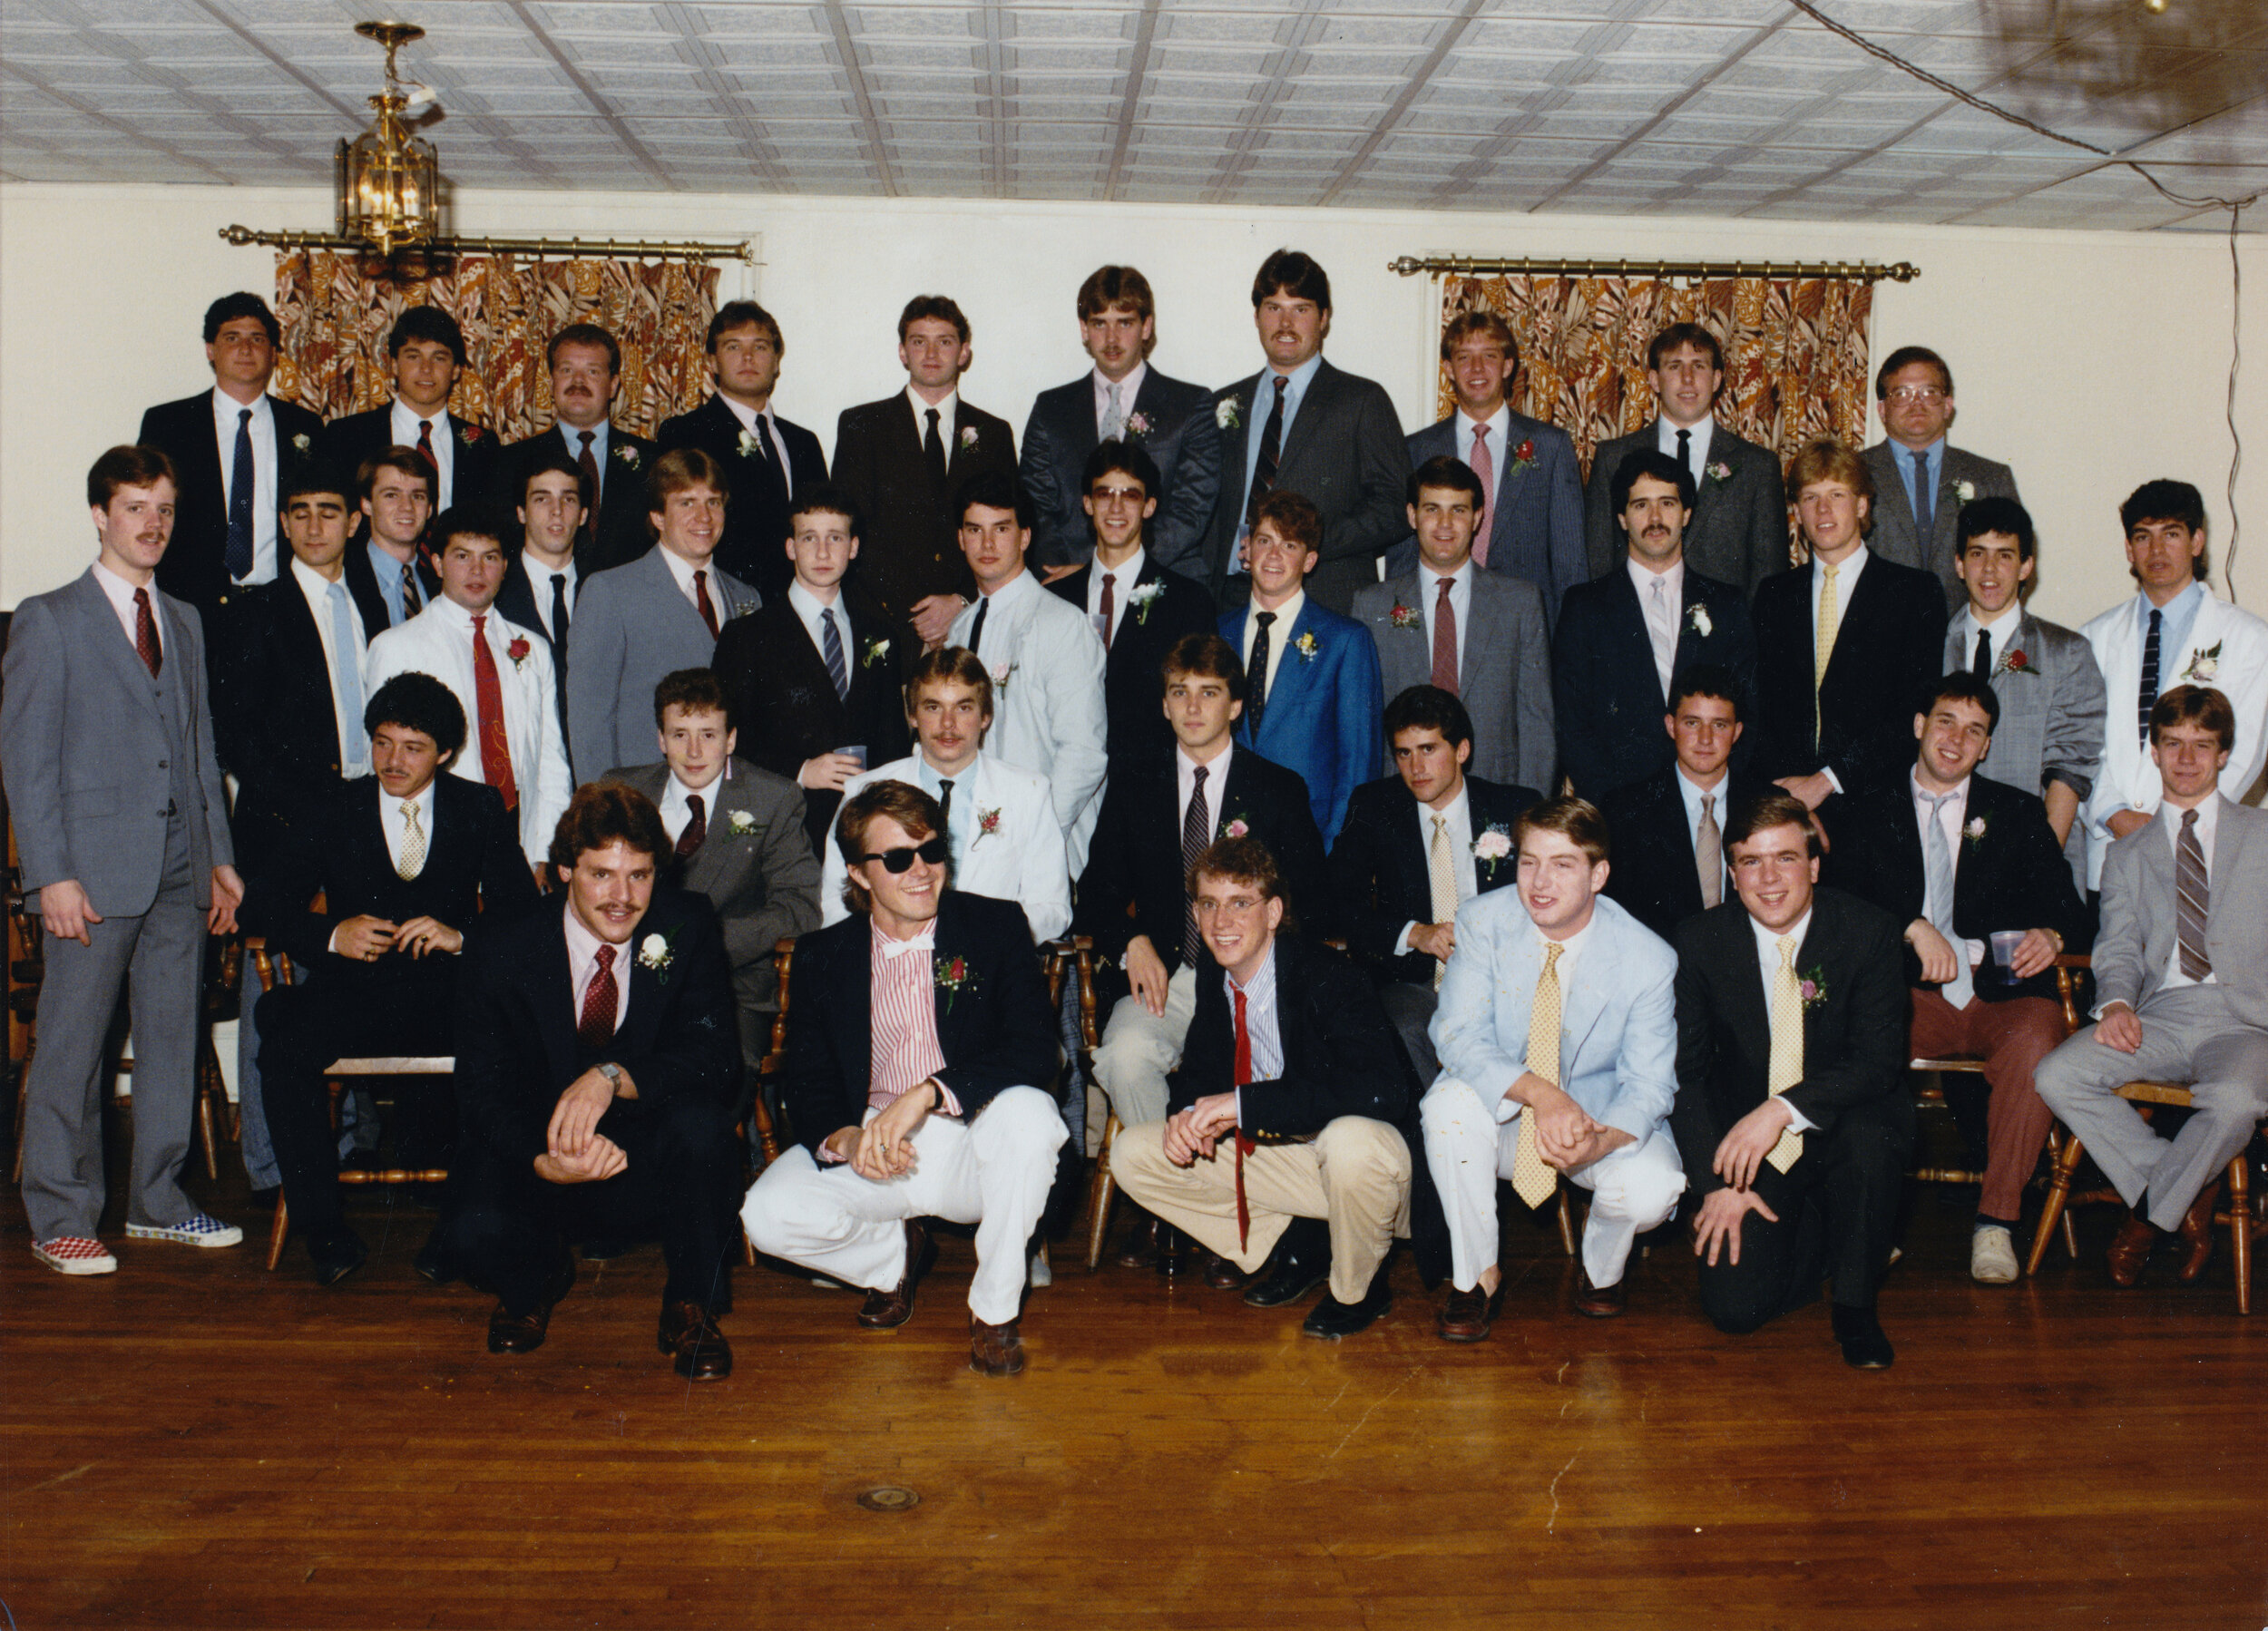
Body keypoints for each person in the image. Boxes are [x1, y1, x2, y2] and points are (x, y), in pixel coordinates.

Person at [1, 445, 244, 1275]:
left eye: (165, 508)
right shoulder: (50, 617)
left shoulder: (183, 618)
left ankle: (159, 1201)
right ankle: (60, 1215)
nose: (153, 524)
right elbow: (26, 764)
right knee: (73, 1045)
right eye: (136, 507)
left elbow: (199, 744)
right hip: (91, 874)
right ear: (100, 515)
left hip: (182, 863)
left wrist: (219, 858)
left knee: (174, 1037)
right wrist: (50, 875)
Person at [743, 781, 1066, 1377]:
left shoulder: (993, 926)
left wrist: (928, 1093)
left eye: (932, 851)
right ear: (860, 874)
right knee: (766, 1214)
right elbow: (808, 1077)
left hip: (974, 1136)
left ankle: (994, 1313)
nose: (922, 871)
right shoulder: (824, 955)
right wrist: (842, 1137)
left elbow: (1035, 1052)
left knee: (1032, 1116)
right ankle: (892, 1260)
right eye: (897, 858)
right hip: (876, 1144)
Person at [442, 784, 744, 1378]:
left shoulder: (687, 924)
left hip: (643, 1149)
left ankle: (690, 1303)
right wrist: (539, 1157)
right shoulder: (501, 942)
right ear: (563, 872)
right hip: (541, 1147)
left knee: (706, 1129)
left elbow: (716, 1056)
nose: (622, 899)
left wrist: (613, 1076)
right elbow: (478, 1089)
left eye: (639, 875)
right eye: (602, 875)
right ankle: (532, 1283)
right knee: (464, 1228)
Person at [246, 673, 538, 1284]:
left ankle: (457, 1229)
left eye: (413, 747)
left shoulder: (479, 806)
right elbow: (263, 905)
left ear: (446, 753)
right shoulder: (337, 806)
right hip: (354, 993)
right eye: (382, 743)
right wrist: (332, 934)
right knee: (283, 1039)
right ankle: (323, 1231)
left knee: (514, 1044)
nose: (393, 761)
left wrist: (464, 938)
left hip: (446, 995)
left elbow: (523, 918)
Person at [1823, 673, 2088, 1283]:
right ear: (1920, 726)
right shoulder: (1866, 809)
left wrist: (2051, 935)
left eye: (1974, 731)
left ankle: (1996, 1222)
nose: (1956, 739)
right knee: (1859, 1049)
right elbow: (1836, 905)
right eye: (1945, 721)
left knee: (2038, 1045)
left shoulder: (2018, 811)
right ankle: (1874, 1219)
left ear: (1987, 746)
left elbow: (2067, 909)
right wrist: (1909, 926)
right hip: (1912, 994)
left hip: (2002, 994)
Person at [1076, 633, 1328, 1265]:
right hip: (1171, 974)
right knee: (1126, 1057)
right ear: (1163, 705)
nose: (1193, 708)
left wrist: (1258, 956)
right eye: (1180, 693)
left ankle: (1222, 1204)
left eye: (1209, 693)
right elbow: (1096, 889)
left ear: (1236, 706)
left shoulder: (1277, 789)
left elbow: (1310, 901)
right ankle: (1174, 1201)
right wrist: (1132, 941)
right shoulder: (1136, 784)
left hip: (1251, 979)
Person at [1110, 835, 1416, 1339]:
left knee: (1349, 1140)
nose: (1221, 922)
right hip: (1297, 1163)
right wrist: (1184, 1115)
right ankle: (1303, 1242)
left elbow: (1382, 1092)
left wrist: (1244, 1105)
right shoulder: (1217, 972)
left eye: (1239, 904)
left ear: (1272, 912)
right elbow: (1202, 1067)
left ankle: (1359, 1289)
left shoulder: (1329, 976)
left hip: (1376, 1174)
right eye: (1209, 904)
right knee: (1134, 1153)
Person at [1422, 796, 1685, 1333]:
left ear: (1599, 874)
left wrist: (1600, 1140)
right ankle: (1475, 1276)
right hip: (1508, 1112)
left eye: (1563, 864)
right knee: (1446, 1107)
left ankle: (1602, 1268)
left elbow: (1650, 1084)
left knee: (1654, 1189)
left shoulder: (1648, 957)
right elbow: (1455, 1036)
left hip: (1594, 1121)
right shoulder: (1483, 920)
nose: (1539, 882)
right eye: (1528, 861)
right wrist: (1543, 1096)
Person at [2037, 685, 2268, 1290]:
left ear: (2224, 756)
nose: (2187, 759)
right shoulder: (2127, 853)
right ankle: (2183, 1190)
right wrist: (2114, 1003)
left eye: (2203, 746)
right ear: (2155, 752)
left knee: (2236, 1102)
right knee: (2057, 1074)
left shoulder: (2263, 835)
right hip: (2160, 1016)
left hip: (2246, 1020)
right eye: (2173, 745)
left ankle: (2146, 1215)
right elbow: (2116, 946)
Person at [1671, 794, 1911, 1369]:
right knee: (1734, 1310)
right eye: (1751, 862)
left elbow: (1878, 1062)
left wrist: (1780, 1110)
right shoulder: (1699, 942)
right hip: (1748, 1149)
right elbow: (1688, 1074)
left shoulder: (1868, 931)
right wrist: (1716, 1185)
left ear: (1815, 866)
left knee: (1872, 1138)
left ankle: (1855, 1305)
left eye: (1785, 858)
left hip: (1844, 1122)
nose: (1769, 878)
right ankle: (1823, 1241)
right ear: (1732, 873)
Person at [600, 669, 821, 1073]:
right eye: (680, 734)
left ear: (731, 739)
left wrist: (703, 946)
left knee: (701, 1073)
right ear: (661, 740)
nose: (695, 751)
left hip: (730, 986)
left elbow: (799, 908)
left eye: (709, 734)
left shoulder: (773, 797)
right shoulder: (621, 792)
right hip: (625, 979)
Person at [1327, 685, 1540, 1084]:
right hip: (1415, 985)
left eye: (1428, 749)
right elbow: (1337, 902)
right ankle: (1432, 1136)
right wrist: (1415, 934)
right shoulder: (1375, 807)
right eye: (1404, 754)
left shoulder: (1514, 807)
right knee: (1401, 1028)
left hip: (1503, 981)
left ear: (1461, 751)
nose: (1416, 768)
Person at [2077, 480, 2268, 893]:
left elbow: (2246, 751)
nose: (2157, 551)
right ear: (2129, 549)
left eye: (2172, 534)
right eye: (2143, 537)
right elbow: (2080, 745)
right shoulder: (2094, 638)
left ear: (2197, 541)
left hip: (2200, 851)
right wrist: (2114, 814)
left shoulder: (2250, 638)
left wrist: (2179, 824)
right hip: (2112, 851)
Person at [1197, 249, 1406, 613]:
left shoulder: (1362, 400)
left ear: (1324, 318)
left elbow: (1395, 507)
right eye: (1274, 307)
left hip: (1323, 599)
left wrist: (1309, 541)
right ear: (1257, 316)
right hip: (1231, 601)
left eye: (1301, 309)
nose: (1286, 323)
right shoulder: (1224, 402)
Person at [711, 485, 914, 856]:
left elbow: (894, 742)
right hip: (782, 833)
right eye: (809, 538)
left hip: (866, 835)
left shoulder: (880, 634)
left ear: (853, 547)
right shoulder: (747, 637)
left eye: (835, 538)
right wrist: (801, 770)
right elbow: (726, 742)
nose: (823, 552)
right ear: (790, 547)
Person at [365, 509, 571, 873]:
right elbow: (388, 765)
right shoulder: (396, 646)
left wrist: (547, 852)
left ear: (506, 566)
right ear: (438, 563)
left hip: (521, 833)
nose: (477, 571)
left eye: (489, 558)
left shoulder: (533, 648)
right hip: (440, 838)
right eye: (462, 556)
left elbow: (551, 759)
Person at [1752, 439, 1948, 815]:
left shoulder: (1914, 593)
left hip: (1875, 806)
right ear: (1795, 511)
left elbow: (1914, 708)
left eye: (1836, 494)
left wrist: (1827, 781)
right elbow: (1761, 706)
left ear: (1861, 505)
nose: (1823, 510)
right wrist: (1787, 793)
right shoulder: (1773, 596)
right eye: (1810, 498)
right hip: (1786, 804)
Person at [820, 649, 1070, 942]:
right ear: (912, 715)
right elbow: (836, 904)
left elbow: (1052, 909)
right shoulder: (862, 792)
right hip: (891, 963)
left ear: (986, 716)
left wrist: (982, 941)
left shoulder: (1029, 792)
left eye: (963, 707)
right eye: (933, 707)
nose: (948, 724)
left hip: (989, 965)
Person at [213, 467, 390, 873]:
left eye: (328, 513)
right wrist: (310, 810)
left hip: (369, 811)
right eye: (300, 513)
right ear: (284, 524)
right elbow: (236, 735)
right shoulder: (254, 613)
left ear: (353, 523)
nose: (313, 527)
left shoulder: (370, 605)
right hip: (286, 829)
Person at [1553, 449, 1757, 801]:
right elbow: (1571, 722)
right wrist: (1612, 808)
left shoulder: (1727, 604)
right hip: (1617, 805)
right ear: (1621, 518)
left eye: (1667, 503)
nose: (1655, 517)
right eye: (1640, 505)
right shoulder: (1585, 606)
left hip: (1711, 802)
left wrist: (1720, 795)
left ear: (1687, 514)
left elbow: (1749, 709)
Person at [1353, 456, 1553, 794]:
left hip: (1495, 791)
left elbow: (1537, 724)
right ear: (1412, 516)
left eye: (1458, 510)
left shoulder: (1519, 602)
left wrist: (1529, 813)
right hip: (1400, 792)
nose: (1445, 523)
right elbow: (1360, 727)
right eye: (1432, 509)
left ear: (1477, 519)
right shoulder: (1372, 605)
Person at [944, 474, 1110, 873]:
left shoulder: (1061, 624)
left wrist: (1030, 838)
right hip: (971, 848)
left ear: (1024, 538)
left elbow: (1083, 755)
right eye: (975, 530)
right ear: (960, 538)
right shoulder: (960, 628)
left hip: (1041, 851)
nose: (987, 545)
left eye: (1001, 529)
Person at [829, 295, 1018, 640]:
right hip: (883, 625)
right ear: (903, 351)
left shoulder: (994, 434)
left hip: (972, 621)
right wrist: (916, 615)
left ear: (964, 352)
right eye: (919, 342)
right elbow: (846, 529)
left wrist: (961, 602)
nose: (931, 355)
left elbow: (1010, 535)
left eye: (944, 342)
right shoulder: (862, 426)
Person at [1019, 265, 1223, 579]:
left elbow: (1190, 512)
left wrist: (1114, 571)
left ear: (1146, 327)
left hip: (1162, 579)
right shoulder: (1051, 409)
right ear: (1084, 329)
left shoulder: (1190, 405)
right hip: (1066, 580)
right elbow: (1035, 505)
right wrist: (1076, 577)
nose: (1111, 338)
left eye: (1124, 322)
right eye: (1099, 323)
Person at [566, 448, 759, 776]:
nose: (704, 517)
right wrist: (606, 814)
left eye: (713, 502)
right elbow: (590, 723)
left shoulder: (747, 598)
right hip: (643, 801)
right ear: (657, 517)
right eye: (687, 503)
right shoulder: (610, 592)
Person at [1943, 496, 2105, 888]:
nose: (1990, 570)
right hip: (1941, 858)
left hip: (2029, 862)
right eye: (1978, 553)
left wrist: (2036, 866)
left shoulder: (2065, 652)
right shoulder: (1930, 645)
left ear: (2026, 566)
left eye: (2005, 555)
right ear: (1960, 565)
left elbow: (2069, 771)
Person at [139, 292, 325, 617]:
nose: (245, 348)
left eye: (257, 338)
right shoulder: (168, 425)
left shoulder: (305, 426)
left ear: (273, 352)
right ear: (211, 350)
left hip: (282, 606)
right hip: (191, 608)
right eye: (232, 338)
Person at [1391, 308, 1584, 620]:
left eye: (1489, 356)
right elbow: (1402, 557)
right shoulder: (1416, 449)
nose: (1476, 368)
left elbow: (1570, 561)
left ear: (1508, 365)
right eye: (1464, 357)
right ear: (1449, 368)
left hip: (1524, 624)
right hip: (1438, 618)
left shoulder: (1551, 446)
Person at [1043, 440, 1217, 772]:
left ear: (1149, 507)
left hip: (1152, 789)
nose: (1116, 508)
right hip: (1065, 781)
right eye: (1105, 494)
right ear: (1087, 504)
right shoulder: (1055, 597)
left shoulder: (1188, 601)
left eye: (1131, 495)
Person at [1221, 490, 1383, 847]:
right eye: (1265, 540)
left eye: (1290, 545)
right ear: (1247, 549)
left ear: (1310, 561)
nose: (1274, 555)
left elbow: (1358, 766)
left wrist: (1334, 853)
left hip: (1311, 844)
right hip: (1229, 846)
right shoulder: (1219, 633)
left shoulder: (1345, 641)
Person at [1581, 323, 1790, 593]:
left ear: (1717, 379)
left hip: (1724, 630)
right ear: (1654, 380)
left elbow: (1769, 577)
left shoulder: (1757, 466)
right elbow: (1597, 562)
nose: (1688, 378)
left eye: (1699, 366)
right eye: (1675, 366)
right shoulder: (1613, 458)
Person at [654, 300, 827, 601]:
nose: (748, 357)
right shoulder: (685, 433)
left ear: (776, 362)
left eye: (760, 347)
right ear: (712, 362)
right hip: (720, 603)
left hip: (799, 605)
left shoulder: (804, 442)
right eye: (733, 347)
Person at [1598, 665, 1767, 942]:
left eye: (1719, 724)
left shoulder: (1767, 802)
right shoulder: (1625, 810)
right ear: (1670, 725)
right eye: (1692, 722)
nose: (1705, 738)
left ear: (1736, 732)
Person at [492, 323, 660, 575]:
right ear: (551, 381)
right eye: (567, 370)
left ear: (613, 385)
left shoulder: (653, 461)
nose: (578, 381)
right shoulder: (510, 462)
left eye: (592, 371)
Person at [1862, 346, 2022, 610]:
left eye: (1929, 392)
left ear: (1948, 406)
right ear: (1882, 409)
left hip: (1965, 638)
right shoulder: (1851, 474)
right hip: (1875, 638)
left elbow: (2013, 567)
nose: (1917, 403)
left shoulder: (1990, 478)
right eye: (1901, 393)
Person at [317, 307, 495, 513]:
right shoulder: (345, 436)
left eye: (439, 357)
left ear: (456, 370)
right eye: (413, 356)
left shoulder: (484, 444)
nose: (426, 369)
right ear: (394, 365)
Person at [492, 450, 585, 751]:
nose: (556, 511)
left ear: (583, 515)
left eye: (568, 499)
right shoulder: (494, 593)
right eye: (542, 499)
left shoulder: (607, 589)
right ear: (521, 512)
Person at [345, 448, 439, 629]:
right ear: (366, 505)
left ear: (429, 510)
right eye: (392, 495)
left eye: (418, 496)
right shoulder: (344, 579)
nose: (407, 507)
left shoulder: (440, 584)